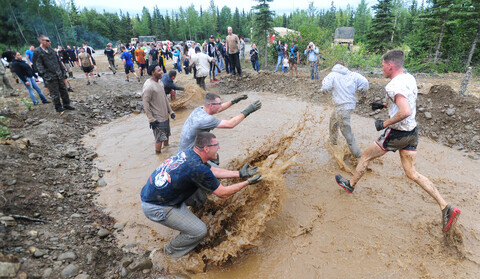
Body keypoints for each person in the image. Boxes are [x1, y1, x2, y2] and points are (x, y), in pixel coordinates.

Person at [335, 49, 461, 233]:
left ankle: (350, 185)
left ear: (390, 65)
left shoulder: (392, 86)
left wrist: (384, 123)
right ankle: (446, 207)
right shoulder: (409, 78)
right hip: (412, 132)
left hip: (397, 133)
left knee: (365, 156)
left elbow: (405, 111)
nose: (381, 69)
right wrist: (384, 105)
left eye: (383, 65)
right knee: (413, 174)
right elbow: (406, 101)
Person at [141, 131, 262, 258]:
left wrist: (239, 174)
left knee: (201, 193)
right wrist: (247, 183)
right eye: (216, 145)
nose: (219, 147)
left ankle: (195, 215)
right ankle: (167, 254)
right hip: (156, 206)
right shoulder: (197, 168)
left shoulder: (189, 153)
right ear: (206, 148)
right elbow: (223, 193)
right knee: (199, 231)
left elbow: (212, 170)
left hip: (158, 194)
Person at [178, 92, 260, 152]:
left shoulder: (200, 109)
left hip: (183, 149)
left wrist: (234, 101)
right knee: (214, 147)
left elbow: (219, 108)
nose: (221, 105)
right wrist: (248, 111)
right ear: (211, 105)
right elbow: (230, 124)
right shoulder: (206, 119)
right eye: (219, 104)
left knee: (212, 146)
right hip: (189, 154)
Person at [321, 61, 369, 158]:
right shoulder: (353, 75)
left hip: (341, 106)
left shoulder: (332, 75)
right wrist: (362, 95)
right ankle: (333, 143)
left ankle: (358, 156)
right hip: (349, 106)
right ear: (345, 66)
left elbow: (325, 87)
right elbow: (365, 82)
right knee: (333, 121)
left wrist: (324, 91)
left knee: (346, 132)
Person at [34, 35, 74, 113]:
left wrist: (63, 71)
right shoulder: (37, 51)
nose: (50, 42)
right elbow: (38, 65)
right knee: (54, 92)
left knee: (64, 90)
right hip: (50, 76)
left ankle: (66, 104)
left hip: (59, 74)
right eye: (48, 41)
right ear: (42, 41)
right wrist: (45, 75)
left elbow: (58, 61)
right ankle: (58, 107)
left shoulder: (51, 50)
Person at [143, 64, 175, 154]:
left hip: (165, 116)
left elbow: (165, 98)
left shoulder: (160, 83)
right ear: (153, 73)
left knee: (167, 136)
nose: (161, 72)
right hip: (157, 119)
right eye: (159, 71)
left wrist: (171, 111)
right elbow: (145, 104)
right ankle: (159, 156)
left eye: (161, 70)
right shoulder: (149, 86)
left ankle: (167, 154)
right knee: (159, 139)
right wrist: (151, 119)